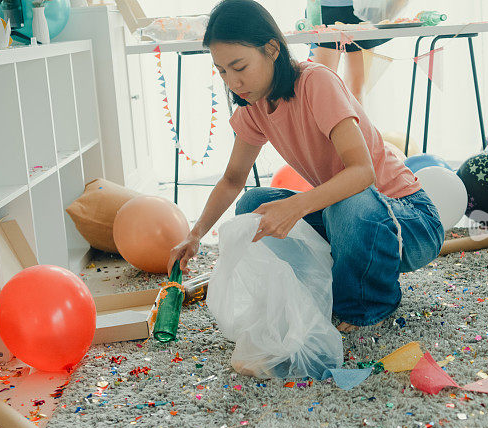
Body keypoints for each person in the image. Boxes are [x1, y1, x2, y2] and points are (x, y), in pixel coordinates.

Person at [168, 0, 443, 333]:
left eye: (239, 67)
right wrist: (195, 234)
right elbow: (232, 179)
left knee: (344, 202)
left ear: (271, 49)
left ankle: (367, 305)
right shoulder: (253, 107)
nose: (233, 82)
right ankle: (328, 280)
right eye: (223, 71)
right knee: (253, 206)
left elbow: (362, 172)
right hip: (348, 218)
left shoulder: (315, 82)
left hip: (410, 221)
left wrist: (296, 207)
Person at [312, 0, 390, 104]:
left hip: (365, 9)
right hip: (324, 9)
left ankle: (354, 120)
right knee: (323, 87)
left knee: (356, 91)